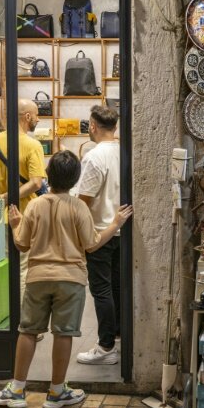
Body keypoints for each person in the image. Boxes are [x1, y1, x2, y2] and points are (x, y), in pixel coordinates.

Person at [0, 150, 132, 408]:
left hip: (38, 277)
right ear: (76, 178)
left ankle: (17, 389)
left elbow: (21, 244)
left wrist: (15, 224)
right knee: (63, 334)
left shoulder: (35, 205)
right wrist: (115, 223)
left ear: (48, 176)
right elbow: (91, 245)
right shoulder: (79, 207)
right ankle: (56, 392)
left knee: (28, 331)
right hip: (71, 279)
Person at [0, 99, 47, 298]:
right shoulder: (32, 145)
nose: (38, 119)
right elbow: (36, 183)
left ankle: (5, 313)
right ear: (27, 117)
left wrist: (0, 197)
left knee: (1, 265)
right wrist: (9, 196)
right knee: (24, 267)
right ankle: (23, 318)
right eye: (36, 115)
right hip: (25, 216)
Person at [76, 106, 122, 365]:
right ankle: (115, 336)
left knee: (102, 290)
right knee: (116, 287)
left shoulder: (94, 157)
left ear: (93, 125)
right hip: (119, 228)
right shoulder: (123, 152)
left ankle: (105, 347)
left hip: (99, 232)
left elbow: (84, 199)